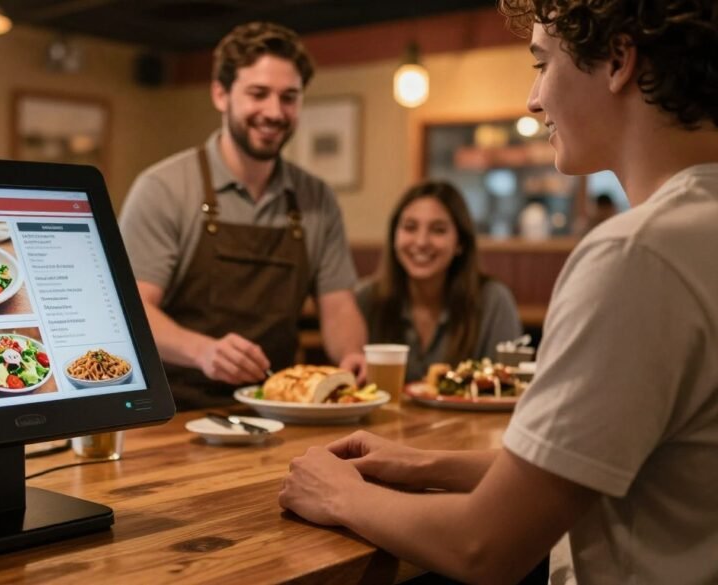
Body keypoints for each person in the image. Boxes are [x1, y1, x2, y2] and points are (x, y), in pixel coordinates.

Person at [279, 1, 718, 583]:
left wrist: (337, 494)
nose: (533, 99)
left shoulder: (638, 254)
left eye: (542, 64)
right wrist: (418, 463)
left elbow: (485, 547)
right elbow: (599, 465)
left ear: (618, 61)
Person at [119, 22, 366, 410]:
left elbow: (338, 307)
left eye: (289, 97)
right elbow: (131, 310)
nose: (274, 112)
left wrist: (352, 354)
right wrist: (203, 351)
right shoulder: (164, 188)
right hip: (173, 412)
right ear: (221, 94)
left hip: (277, 406)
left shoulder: (315, 198)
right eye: (258, 94)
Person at [356, 181, 522, 382]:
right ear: (394, 237)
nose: (421, 242)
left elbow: (508, 387)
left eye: (438, 230)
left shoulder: (493, 301)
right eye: (410, 227)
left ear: (460, 242)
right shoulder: (366, 299)